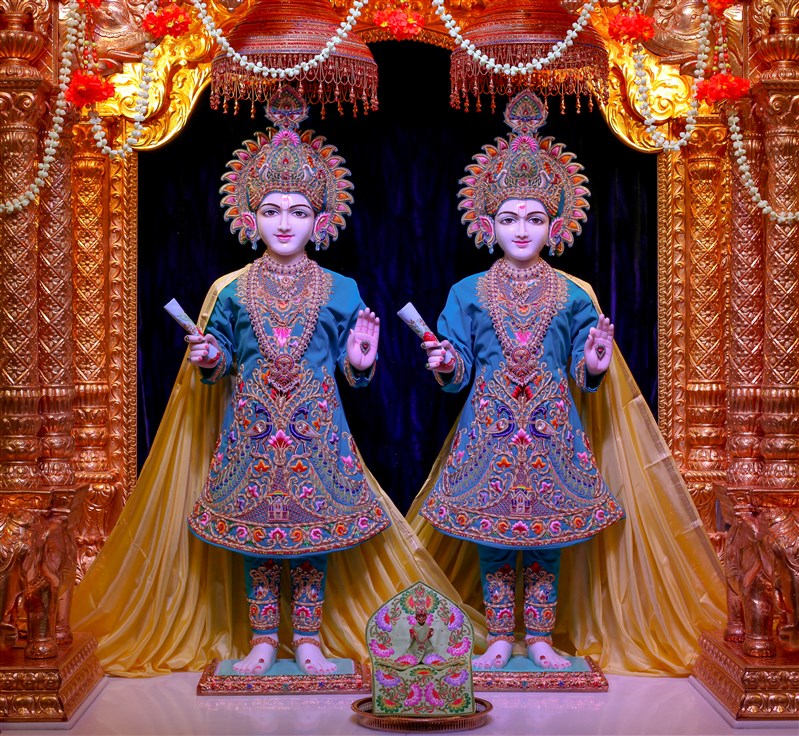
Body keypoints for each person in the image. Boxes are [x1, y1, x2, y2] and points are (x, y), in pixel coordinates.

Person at [416, 90, 625, 671]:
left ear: (555, 226)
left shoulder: (574, 294)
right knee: (494, 539)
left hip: (553, 430)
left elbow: (583, 366)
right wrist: (446, 364)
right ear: (488, 226)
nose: (522, 230)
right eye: (509, 219)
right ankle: (501, 637)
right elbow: (458, 366)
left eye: (535, 219)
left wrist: (593, 366)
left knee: (545, 542)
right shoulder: (467, 292)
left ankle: (540, 638)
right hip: (490, 429)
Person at [184, 87, 389, 676]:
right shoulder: (230, 289)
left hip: (316, 430)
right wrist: (209, 356)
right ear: (250, 219)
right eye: (271, 210)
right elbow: (220, 362)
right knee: (259, 537)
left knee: (311, 537)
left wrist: (361, 359)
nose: (283, 223)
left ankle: (307, 641)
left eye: (298, 212)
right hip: (251, 429)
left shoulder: (343, 289)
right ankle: (262, 641)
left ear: (320, 222)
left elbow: (355, 373)